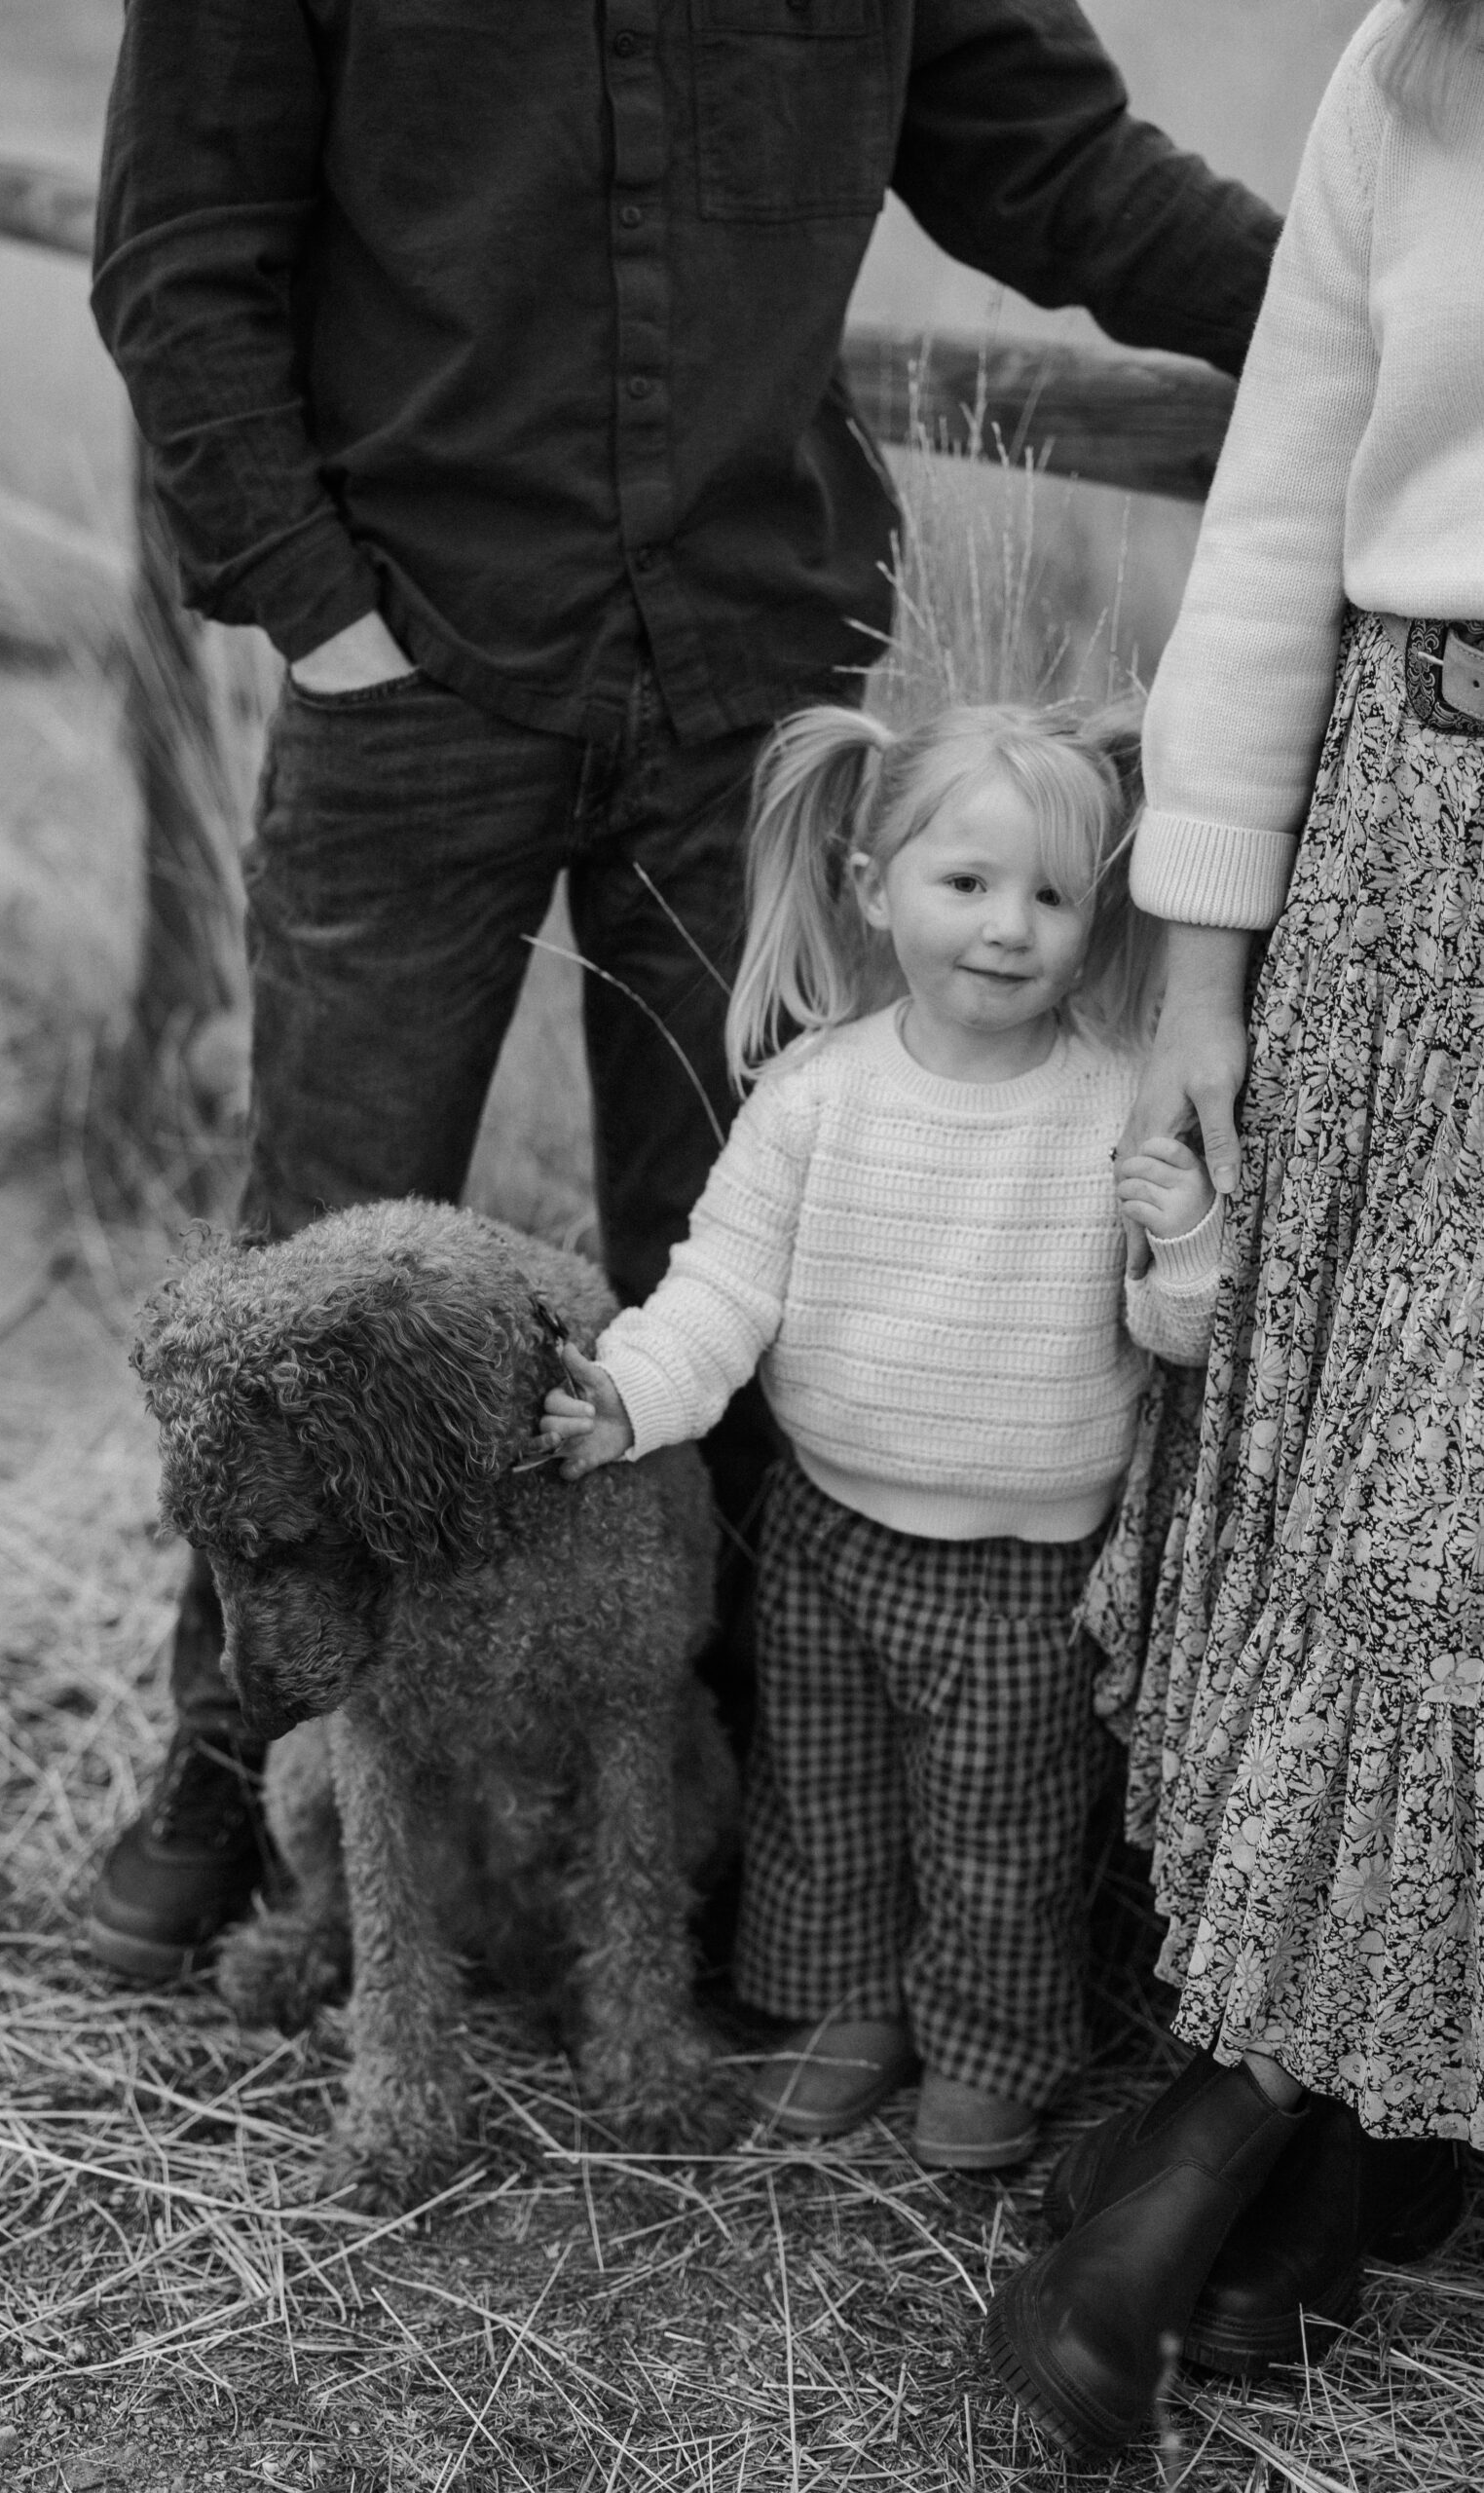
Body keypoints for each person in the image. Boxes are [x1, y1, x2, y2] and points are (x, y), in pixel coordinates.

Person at [84, 0, 1280, 1985]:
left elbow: (1053, 168)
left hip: (746, 679)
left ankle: (708, 1815)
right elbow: (179, 248)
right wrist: (317, 604)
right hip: (412, 667)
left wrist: (1368, 316)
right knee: (311, 1264)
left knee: (738, 1261)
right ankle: (242, 1744)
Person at [987, 0, 1483, 2460]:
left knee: (1443, 1525)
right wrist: (1198, 952)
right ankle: (1331, 2138)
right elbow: (1281, 512)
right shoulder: (1412, 68)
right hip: (1401, 853)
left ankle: (1216, 2165)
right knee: (1328, 1500)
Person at [537, 698, 1221, 2169]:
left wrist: (1187, 1251)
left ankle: (989, 2041)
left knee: (1004, 1835)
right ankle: (848, 2007)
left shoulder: (1115, 1105)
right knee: (825, 1799)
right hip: (829, 1536)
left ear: (1098, 915)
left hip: (1032, 1571)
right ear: (874, 886)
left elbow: (1177, 1349)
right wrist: (630, 1398)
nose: (1007, 927)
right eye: (965, 883)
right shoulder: (816, 1095)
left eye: (1051, 893)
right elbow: (724, 1286)